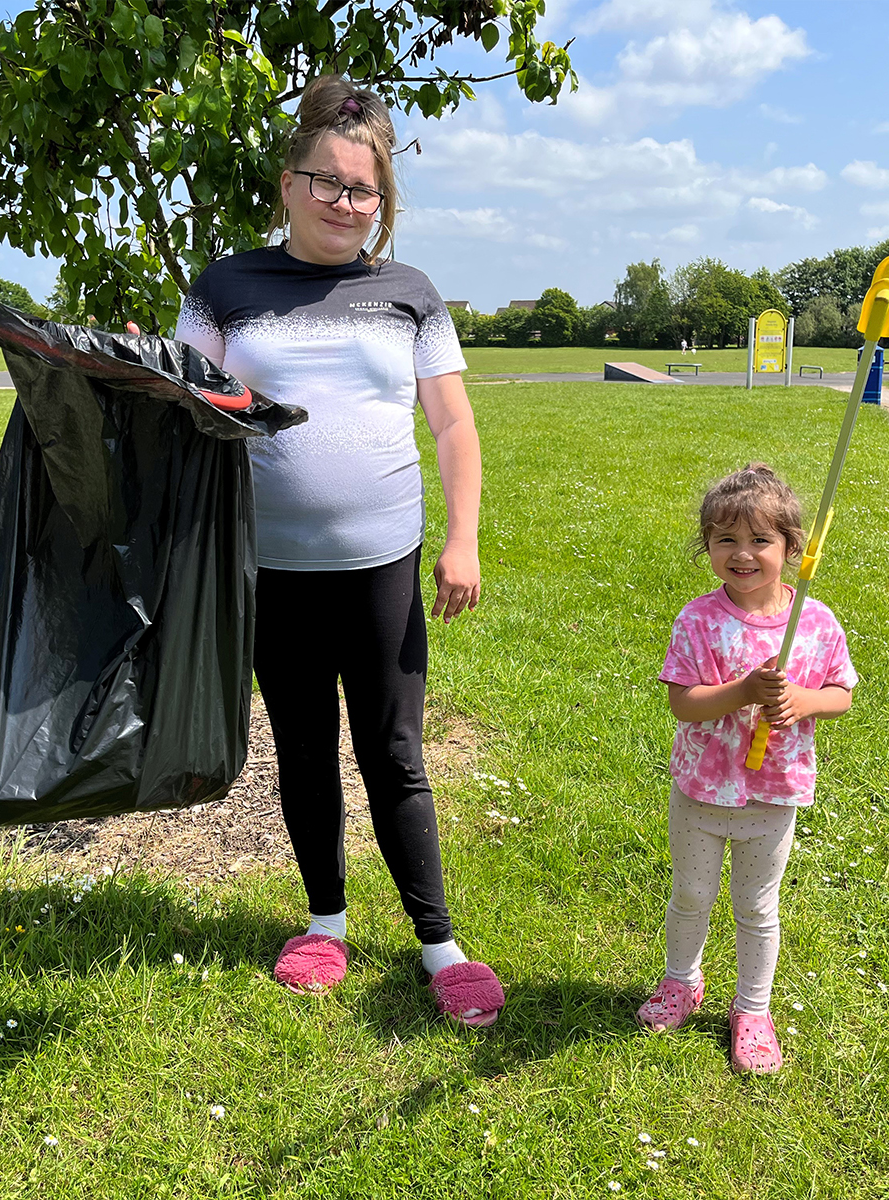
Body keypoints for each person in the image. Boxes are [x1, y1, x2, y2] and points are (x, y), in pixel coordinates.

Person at [171, 76, 504, 1027]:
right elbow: (181, 411)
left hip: (383, 565)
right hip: (268, 570)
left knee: (395, 752)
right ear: (288, 183)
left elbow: (452, 426)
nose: (344, 203)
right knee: (306, 749)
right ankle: (326, 922)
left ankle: (440, 945)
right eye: (327, 182)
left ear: (383, 205)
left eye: (365, 192)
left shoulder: (409, 294)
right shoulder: (226, 287)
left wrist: (463, 537)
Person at [637, 465, 856, 1072]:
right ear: (706, 545)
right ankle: (681, 981)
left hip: (772, 793)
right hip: (702, 791)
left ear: (793, 546)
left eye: (760, 540)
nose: (743, 554)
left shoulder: (815, 621)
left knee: (757, 906)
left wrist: (802, 701)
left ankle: (753, 1008)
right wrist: (742, 691)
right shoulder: (699, 620)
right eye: (724, 539)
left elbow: (840, 693)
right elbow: (683, 702)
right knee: (691, 894)